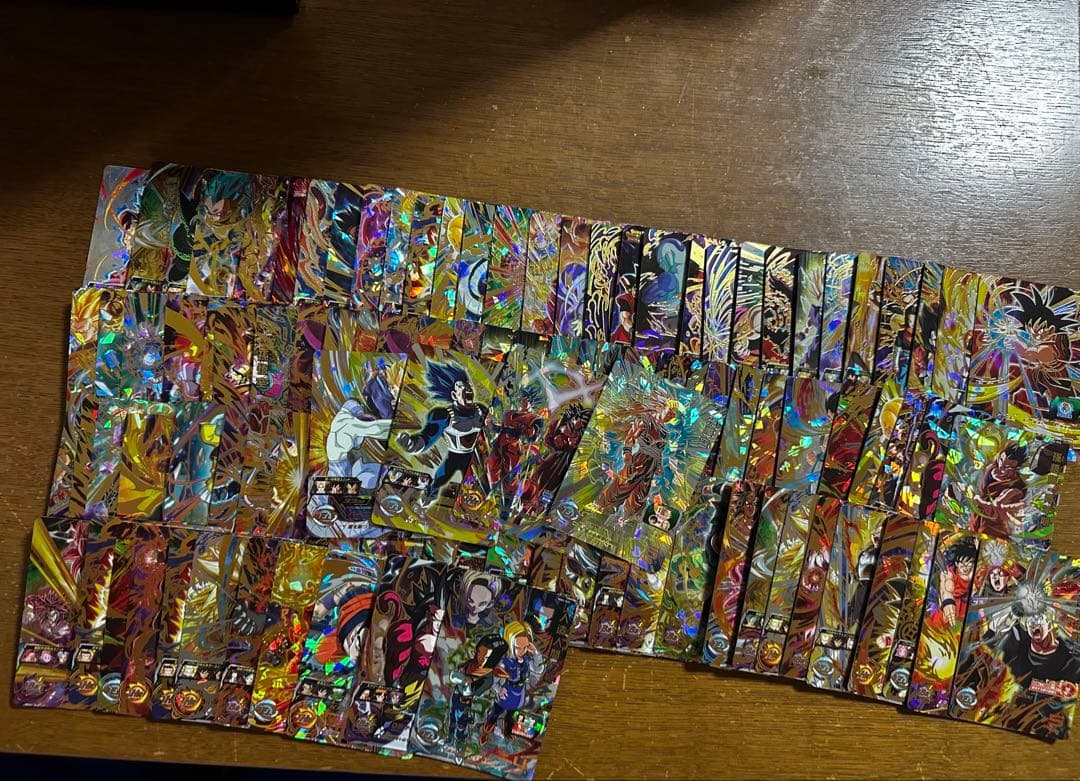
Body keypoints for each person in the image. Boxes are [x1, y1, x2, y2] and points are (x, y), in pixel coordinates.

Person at [397, 361, 488, 507]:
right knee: (439, 479)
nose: (468, 388)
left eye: (468, 386)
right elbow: (428, 436)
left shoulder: (481, 410)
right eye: (462, 387)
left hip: (474, 456)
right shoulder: (444, 415)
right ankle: (428, 498)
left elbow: (490, 432)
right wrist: (412, 445)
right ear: (454, 395)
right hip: (454, 457)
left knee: (483, 482)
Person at [480, 622, 543, 745]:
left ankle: (507, 731)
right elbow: (495, 678)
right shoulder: (506, 662)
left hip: (519, 694)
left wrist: (536, 654)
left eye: (525, 647)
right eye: (518, 648)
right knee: (494, 714)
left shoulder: (526, 661)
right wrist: (498, 689)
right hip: (506, 692)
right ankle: (485, 732)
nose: (521, 651)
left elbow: (538, 669)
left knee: (511, 715)